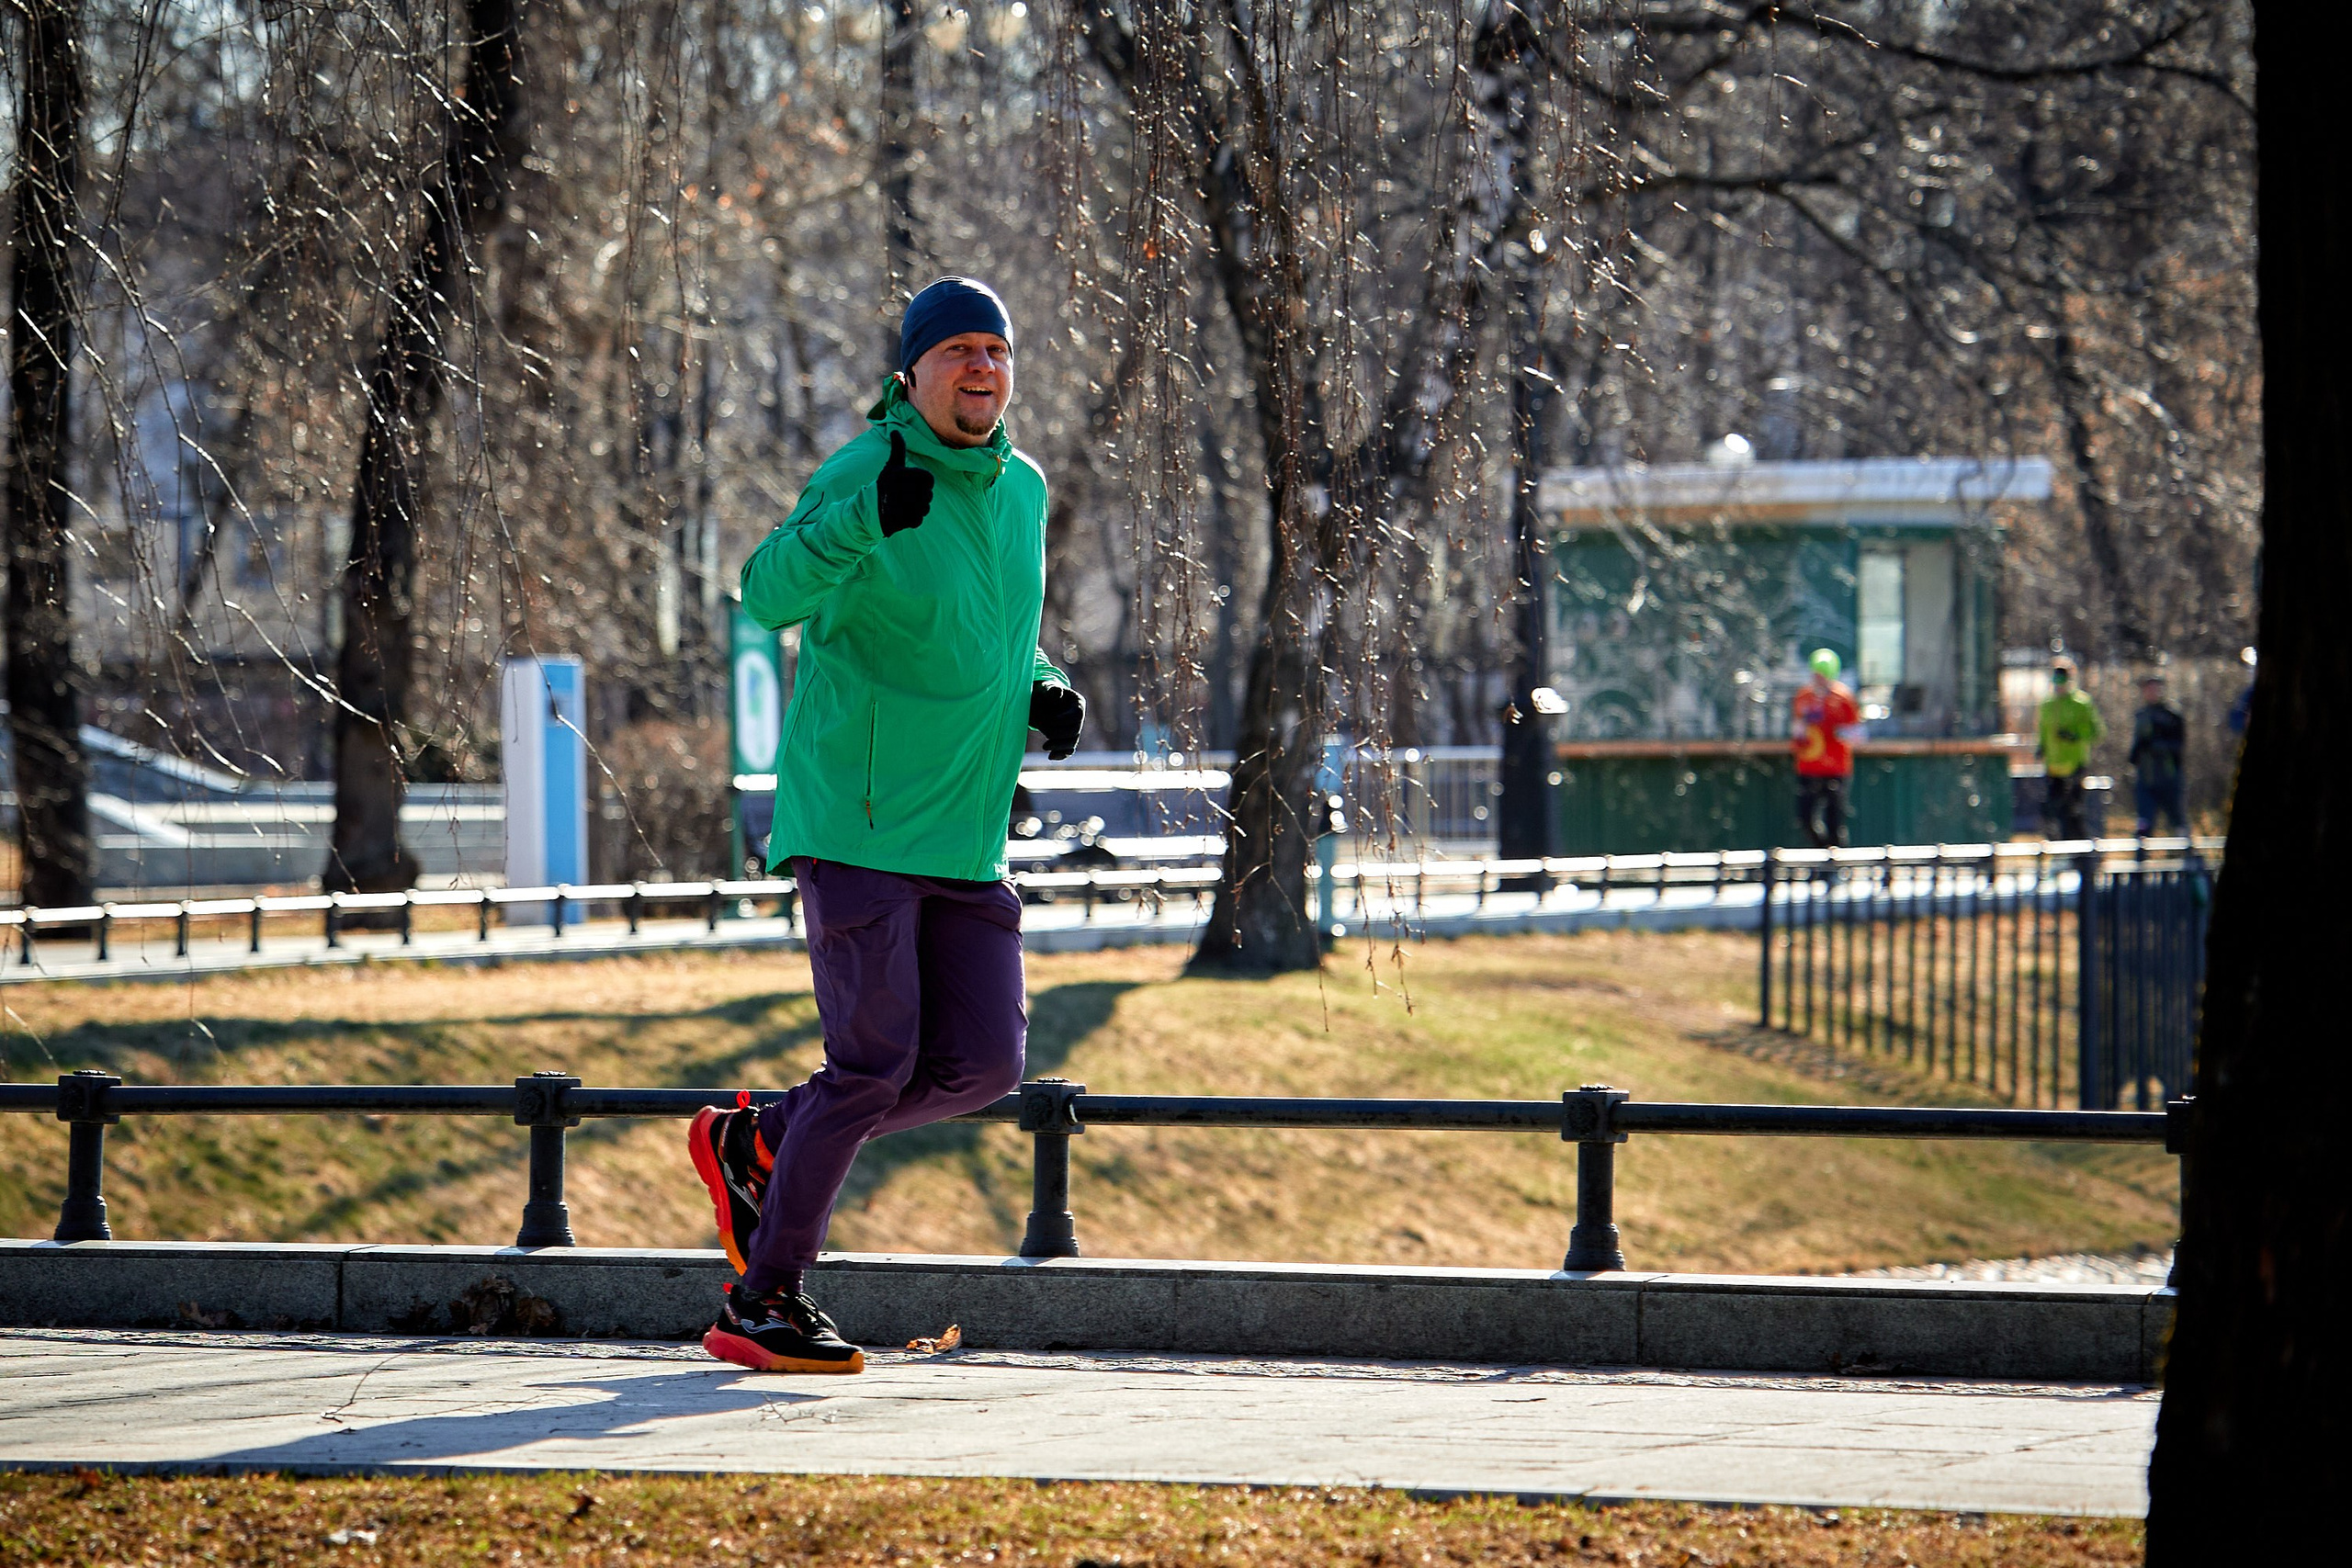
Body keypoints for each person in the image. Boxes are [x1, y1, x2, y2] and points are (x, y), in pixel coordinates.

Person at [684, 276, 1083, 1374]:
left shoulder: (1022, 490)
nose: (981, 368)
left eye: (995, 350)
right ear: (910, 373)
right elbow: (765, 592)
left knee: (983, 1066)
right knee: (870, 1067)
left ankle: (760, 1142)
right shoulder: (865, 471)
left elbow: (996, 627)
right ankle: (762, 1299)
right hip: (857, 823)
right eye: (957, 350)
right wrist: (865, 520)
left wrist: (1042, 681)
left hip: (964, 833)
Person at [1790, 648, 1863, 849]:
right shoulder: (1804, 697)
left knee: (1835, 821)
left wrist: (1837, 730)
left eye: (1823, 674)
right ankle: (1822, 852)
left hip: (1835, 768)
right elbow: (1797, 728)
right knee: (1805, 818)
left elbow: (1858, 734)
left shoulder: (1843, 698)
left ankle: (1836, 858)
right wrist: (1800, 736)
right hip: (1809, 766)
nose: (1819, 679)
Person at [2037, 656, 2104, 840]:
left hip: (2075, 765)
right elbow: (2043, 730)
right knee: (2050, 811)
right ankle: (2056, 847)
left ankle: (2081, 850)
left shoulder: (2081, 703)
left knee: (2073, 812)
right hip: (2053, 767)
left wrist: (2074, 735)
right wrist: (2041, 746)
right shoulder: (2047, 705)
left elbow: (2096, 731)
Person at [2128, 673, 2188, 836]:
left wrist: (2157, 745)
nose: (2152, 693)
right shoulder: (2141, 715)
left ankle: (2186, 849)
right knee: (2144, 823)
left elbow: (2179, 745)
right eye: (2148, 689)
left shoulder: (2172, 715)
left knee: (2177, 821)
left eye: (2155, 689)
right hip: (2146, 777)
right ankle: (2142, 850)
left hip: (2169, 776)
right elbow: (2137, 745)